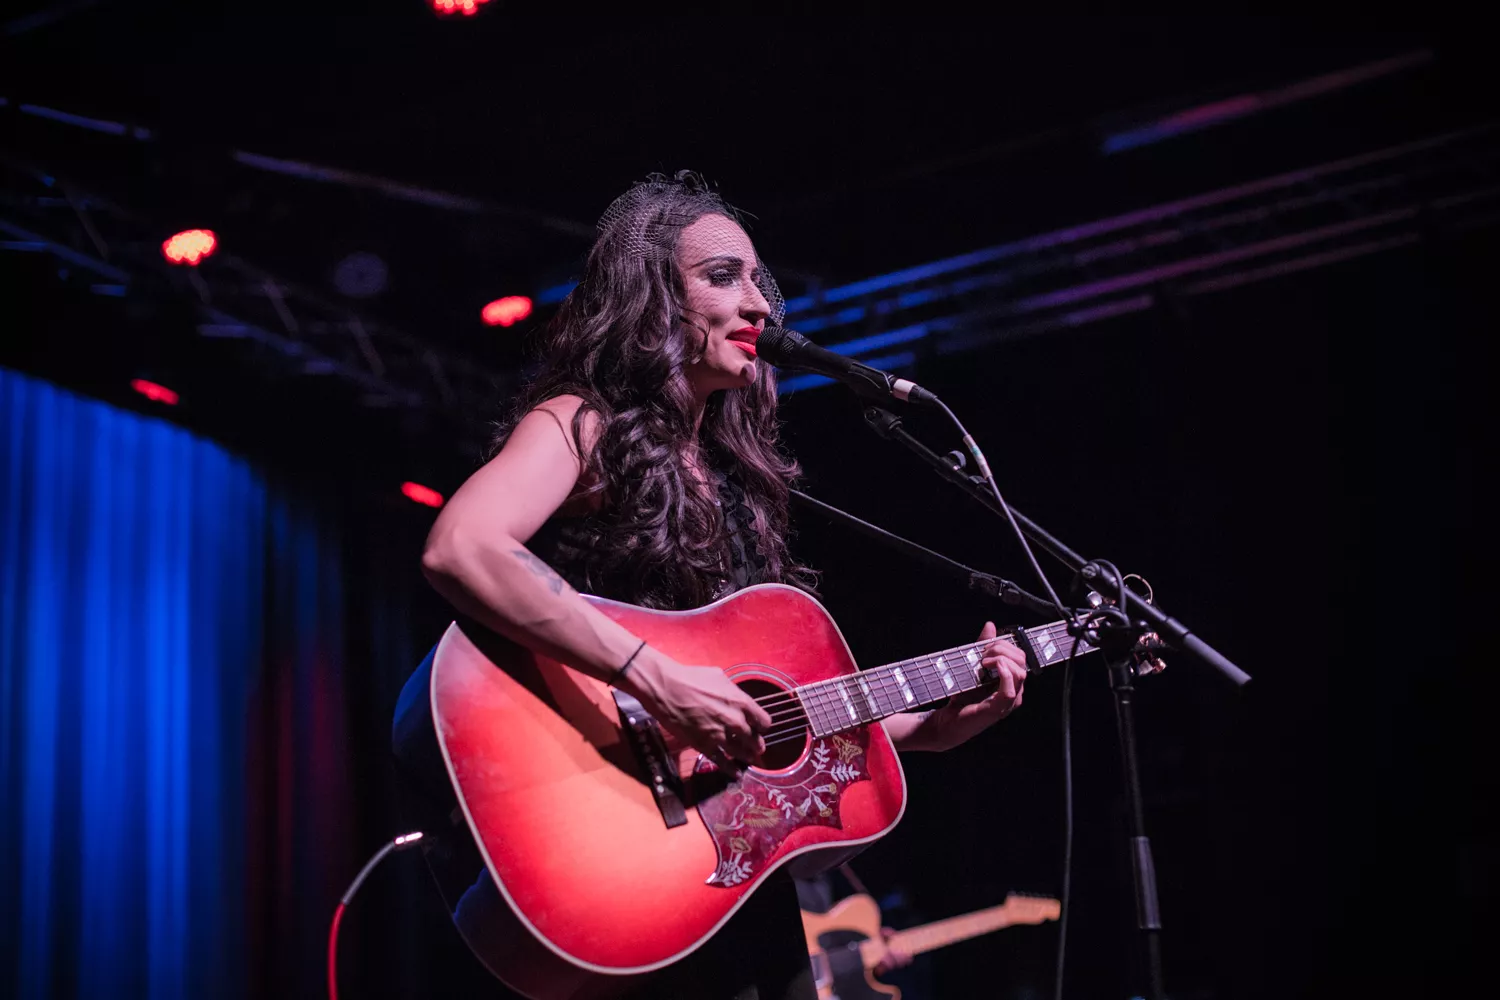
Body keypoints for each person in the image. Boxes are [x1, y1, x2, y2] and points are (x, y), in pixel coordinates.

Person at [393, 171, 1029, 1000]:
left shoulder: (739, 478)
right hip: (609, 854)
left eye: (759, 279)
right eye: (723, 275)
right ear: (653, 299)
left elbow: (761, 725)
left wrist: (926, 730)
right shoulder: (581, 422)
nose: (760, 302)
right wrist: (655, 677)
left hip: (721, 880)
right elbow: (463, 545)